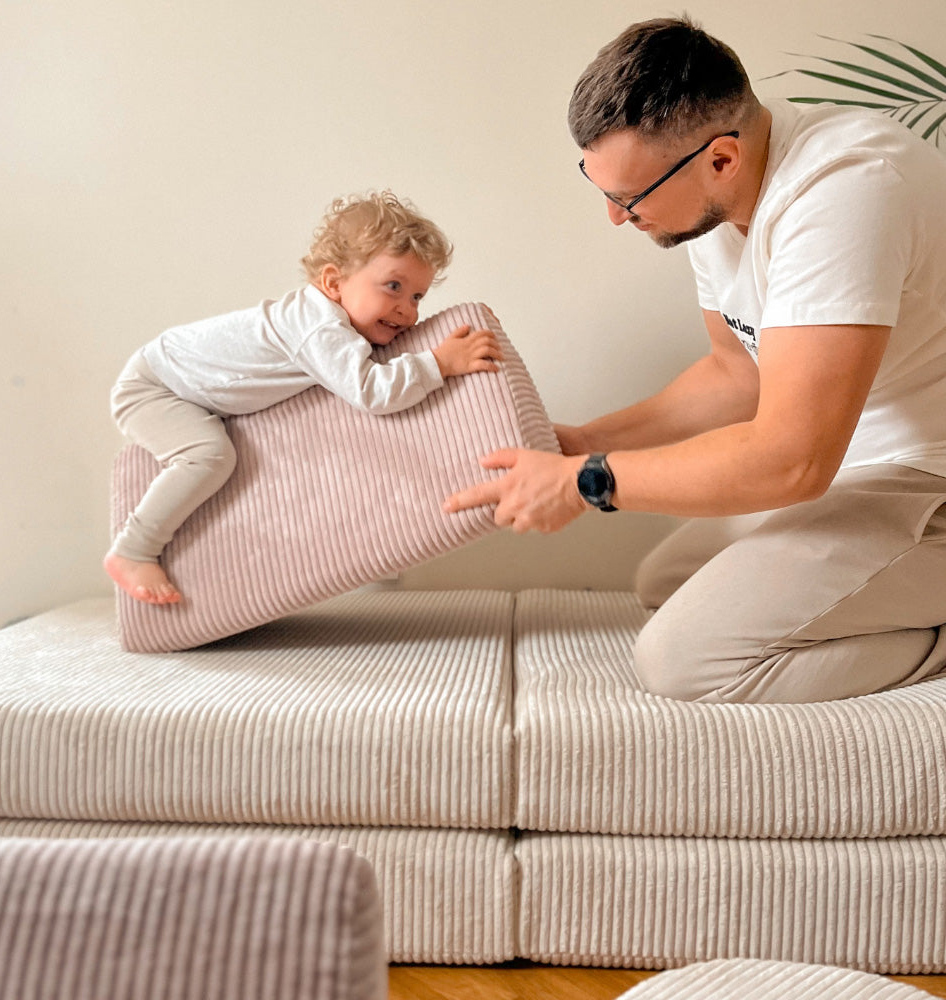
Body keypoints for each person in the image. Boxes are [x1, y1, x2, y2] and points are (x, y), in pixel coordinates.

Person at [444, 16, 946, 703]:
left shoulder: (845, 191)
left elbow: (793, 459)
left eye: (629, 197)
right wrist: (581, 443)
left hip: (927, 478)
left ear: (721, 158)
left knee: (686, 661)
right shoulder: (714, 204)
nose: (617, 218)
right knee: (665, 581)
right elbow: (736, 375)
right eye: (603, 190)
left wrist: (589, 482)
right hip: (854, 467)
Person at [106, 191, 502, 605]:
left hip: (185, 386)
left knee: (220, 450)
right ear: (333, 283)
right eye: (393, 287)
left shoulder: (331, 322)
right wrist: (438, 363)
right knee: (209, 456)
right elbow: (371, 391)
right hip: (155, 386)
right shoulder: (319, 328)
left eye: (417, 296)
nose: (408, 311)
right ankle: (132, 550)